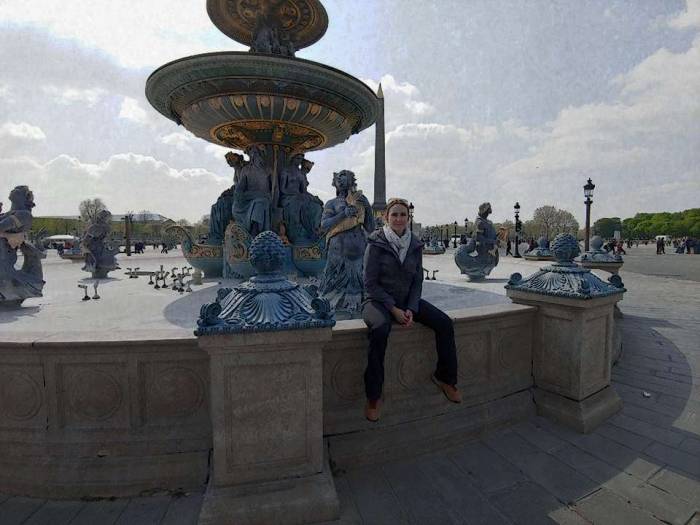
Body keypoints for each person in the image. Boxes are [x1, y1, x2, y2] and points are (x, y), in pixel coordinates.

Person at [362, 198, 461, 422]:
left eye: (403, 215)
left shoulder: (415, 245)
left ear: (408, 218)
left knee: (444, 323)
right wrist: (394, 309)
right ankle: (374, 396)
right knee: (379, 329)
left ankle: (446, 378)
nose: (399, 219)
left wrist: (410, 307)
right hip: (377, 301)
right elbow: (370, 284)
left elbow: (417, 282)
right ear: (386, 218)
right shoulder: (375, 244)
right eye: (394, 215)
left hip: (406, 300)